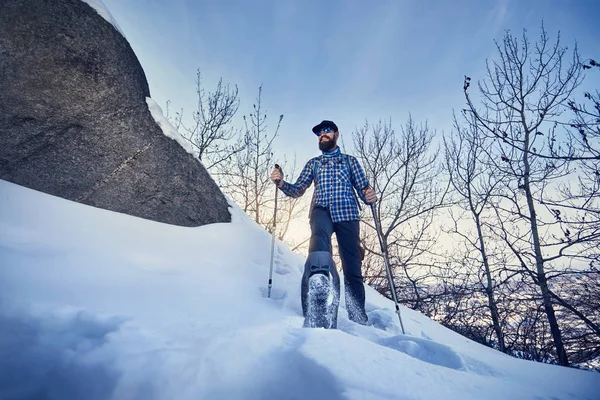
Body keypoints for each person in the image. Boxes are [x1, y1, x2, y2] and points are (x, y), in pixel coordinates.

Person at [270, 120, 377, 328]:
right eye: (319, 133)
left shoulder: (349, 161)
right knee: (319, 239)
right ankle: (318, 287)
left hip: (348, 213)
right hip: (321, 210)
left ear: (336, 134)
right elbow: (298, 189)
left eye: (326, 131)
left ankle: (358, 314)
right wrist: (281, 183)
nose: (322, 135)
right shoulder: (314, 164)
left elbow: (364, 188)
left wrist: (369, 194)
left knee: (352, 264)